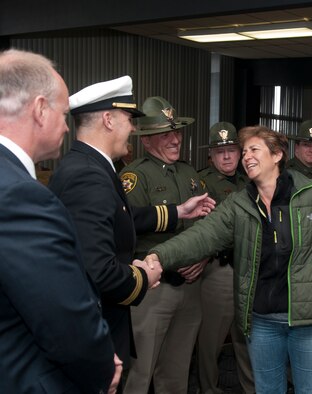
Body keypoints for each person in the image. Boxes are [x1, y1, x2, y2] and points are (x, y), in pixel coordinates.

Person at [144, 125, 312, 393]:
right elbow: (201, 236)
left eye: (254, 150)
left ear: (277, 155)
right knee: (266, 390)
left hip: (310, 321)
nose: (246, 157)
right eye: (244, 152)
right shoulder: (240, 204)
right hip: (262, 321)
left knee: (311, 390)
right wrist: (158, 256)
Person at [48, 79, 214, 380]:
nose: (134, 129)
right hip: (97, 320)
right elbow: (97, 269)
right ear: (108, 119)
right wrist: (144, 276)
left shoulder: (91, 166)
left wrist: (177, 211)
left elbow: (124, 217)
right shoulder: (88, 175)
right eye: (129, 120)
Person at [0, 48, 119, 394]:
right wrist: (101, 367)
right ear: (39, 110)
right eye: (64, 114)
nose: (67, 127)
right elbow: (63, 320)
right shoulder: (21, 196)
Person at [119, 96, 211, 394]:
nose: (175, 140)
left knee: (177, 369)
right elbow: (128, 228)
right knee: (141, 371)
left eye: (177, 132)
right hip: (154, 291)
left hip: (192, 285)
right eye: (165, 134)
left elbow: (209, 225)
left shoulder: (190, 173)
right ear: (146, 141)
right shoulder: (134, 176)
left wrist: (203, 258)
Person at [196, 122, 255, 394]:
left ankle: (251, 387)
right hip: (219, 269)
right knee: (212, 339)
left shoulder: (249, 181)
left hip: (248, 269)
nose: (227, 157)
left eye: (232, 150)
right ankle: (209, 388)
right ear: (211, 155)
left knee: (247, 334)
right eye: (221, 152)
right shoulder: (201, 183)